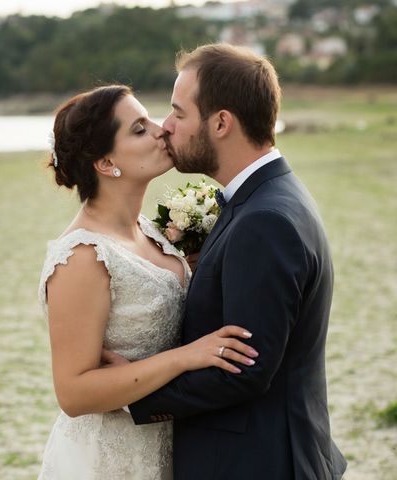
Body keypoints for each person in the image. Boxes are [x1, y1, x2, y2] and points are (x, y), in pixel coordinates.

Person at [125, 44, 348, 479]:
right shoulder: (267, 197)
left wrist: (131, 392)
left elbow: (244, 370)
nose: (166, 127)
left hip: (258, 463)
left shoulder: (264, 220)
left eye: (178, 113)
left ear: (221, 122)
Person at [37, 85, 258, 478]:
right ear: (106, 163)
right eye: (139, 129)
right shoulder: (83, 257)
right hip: (109, 459)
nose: (162, 130)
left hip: (169, 438)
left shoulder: (149, 231)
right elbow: (72, 393)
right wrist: (185, 357)